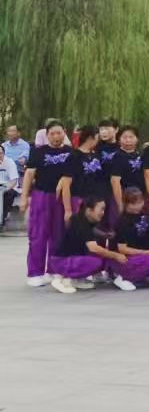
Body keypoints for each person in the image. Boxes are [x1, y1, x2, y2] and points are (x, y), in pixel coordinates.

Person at [20, 119, 74, 287]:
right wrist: (24, 197)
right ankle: (35, 273)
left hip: (63, 197)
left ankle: (54, 269)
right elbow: (29, 175)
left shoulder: (71, 152)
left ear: (64, 133)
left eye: (59, 133)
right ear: (47, 135)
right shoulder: (38, 152)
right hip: (42, 196)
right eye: (52, 133)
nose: (56, 136)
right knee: (38, 234)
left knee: (59, 233)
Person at [47, 197, 134, 294]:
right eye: (101, 209)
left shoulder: (82, 219)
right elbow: (93, 248)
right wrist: (116, 255)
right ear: (89, 210)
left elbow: (90, 231)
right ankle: (63, 279)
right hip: (62, 262)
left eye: (104, 209)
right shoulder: (80, 222)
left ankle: (76, 279)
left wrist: (104, 235)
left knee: (102, 258)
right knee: (97, 262)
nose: (103, 213)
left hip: (67, 259)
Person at [58, 124, 107, 225]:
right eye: (97, 137)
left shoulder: (95, 155)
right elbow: (66, 185)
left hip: (95, 201)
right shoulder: (74, 157)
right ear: (90, 138)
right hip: (79, 200)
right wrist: (68, 210)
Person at [0, 144, 19, 228]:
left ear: (4, 153)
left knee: (7, 195)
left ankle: (2, 220)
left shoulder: (9, 162)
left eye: (0, 153)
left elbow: (14, 181)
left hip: (9, 186)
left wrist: (5, 189)